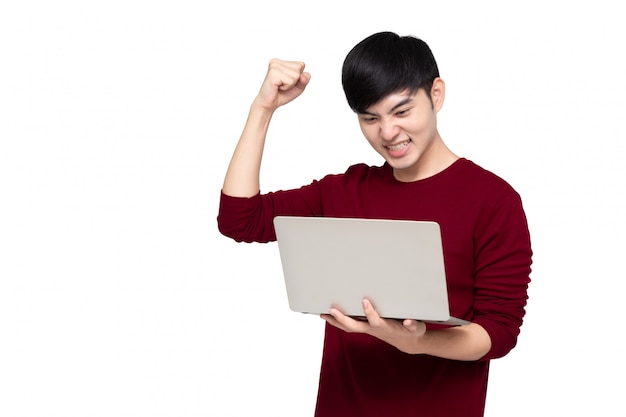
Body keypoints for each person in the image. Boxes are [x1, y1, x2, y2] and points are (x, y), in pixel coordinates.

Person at [217, 31, 532, 417]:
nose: (387, 133)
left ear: (436, 95)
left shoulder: (494, 200)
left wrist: (417, 342)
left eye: (401, 112)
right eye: (370, 118)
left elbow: (499, 331)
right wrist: (262, 109)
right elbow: (239, 219)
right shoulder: (344, 191)